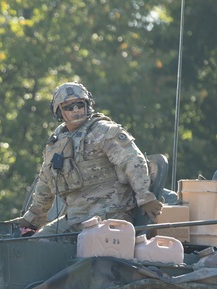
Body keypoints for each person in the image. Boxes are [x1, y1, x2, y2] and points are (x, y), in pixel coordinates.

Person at [14, 81, 162, 234]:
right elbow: (46, 182)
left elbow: (132, 160)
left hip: (109, 214)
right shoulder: (57, 141)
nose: (76, 110)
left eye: (80, 104)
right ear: (59, 112)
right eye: (69, 107)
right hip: (74, 217)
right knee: (36, 244)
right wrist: (33, 218)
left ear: (87, 105)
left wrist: (145, 197)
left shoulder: (102, 131)